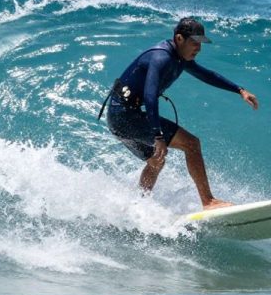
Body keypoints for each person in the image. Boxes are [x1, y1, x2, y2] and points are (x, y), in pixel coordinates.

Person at [101, 16, 258, 209]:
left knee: (156, 161)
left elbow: (205, 74)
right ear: (179, 39)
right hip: (125, 117)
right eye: (194, 43)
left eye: (201, 44)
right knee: (191, 144)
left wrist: (239, 90)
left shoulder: (180, 58)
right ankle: (208, 201)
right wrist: (158, 135)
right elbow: (150, 95)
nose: (198, 48)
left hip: (119, 119)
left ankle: (139, 207)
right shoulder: (161, 58)